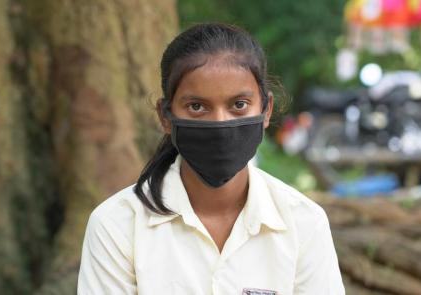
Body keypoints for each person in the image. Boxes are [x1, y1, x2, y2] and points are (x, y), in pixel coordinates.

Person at [77, 23, 345, 294]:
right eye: (197, 107)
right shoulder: (117, 225)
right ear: (165, 117)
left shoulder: (304, 223)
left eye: (239, 105)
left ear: (266, 110)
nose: (219, 123)